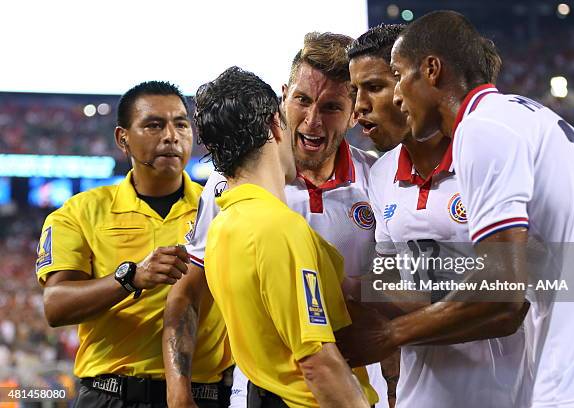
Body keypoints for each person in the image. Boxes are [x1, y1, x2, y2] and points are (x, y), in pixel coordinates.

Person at [387, 10, 574, 407]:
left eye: (399, 74)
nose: (395, 94)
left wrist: (389, 334)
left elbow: (500, 291)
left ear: (432, 69)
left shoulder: (481, 128)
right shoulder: (529, 115)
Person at [164, 32, 387, 408]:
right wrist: (178, 389)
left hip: (358, 383)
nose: (312, 121)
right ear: (283, 98)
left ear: (352, 113)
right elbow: (188, 290)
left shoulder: (378, 179)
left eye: (331, 107)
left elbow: (388, 287)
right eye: (302, 100)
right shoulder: (228, 184)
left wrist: (504, 273)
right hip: (281, 387)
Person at [347, 23, 525, 408]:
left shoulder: (484, 152)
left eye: (373, 87)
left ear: (407, 81)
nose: (359, 106)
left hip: (508, 392)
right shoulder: (380, 175)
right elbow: (392, 277)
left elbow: (515, 296)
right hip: (420, 395)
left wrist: (390, 330)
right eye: (354, 92)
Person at [36, 81, 232, 408]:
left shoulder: (223, 208)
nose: (171, 135)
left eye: (181, 124)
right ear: (122, 138)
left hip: (201, 396)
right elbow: (55, 305)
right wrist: (130, 278)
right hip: (110, 395)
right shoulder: (79, 212)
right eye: (154, 125)